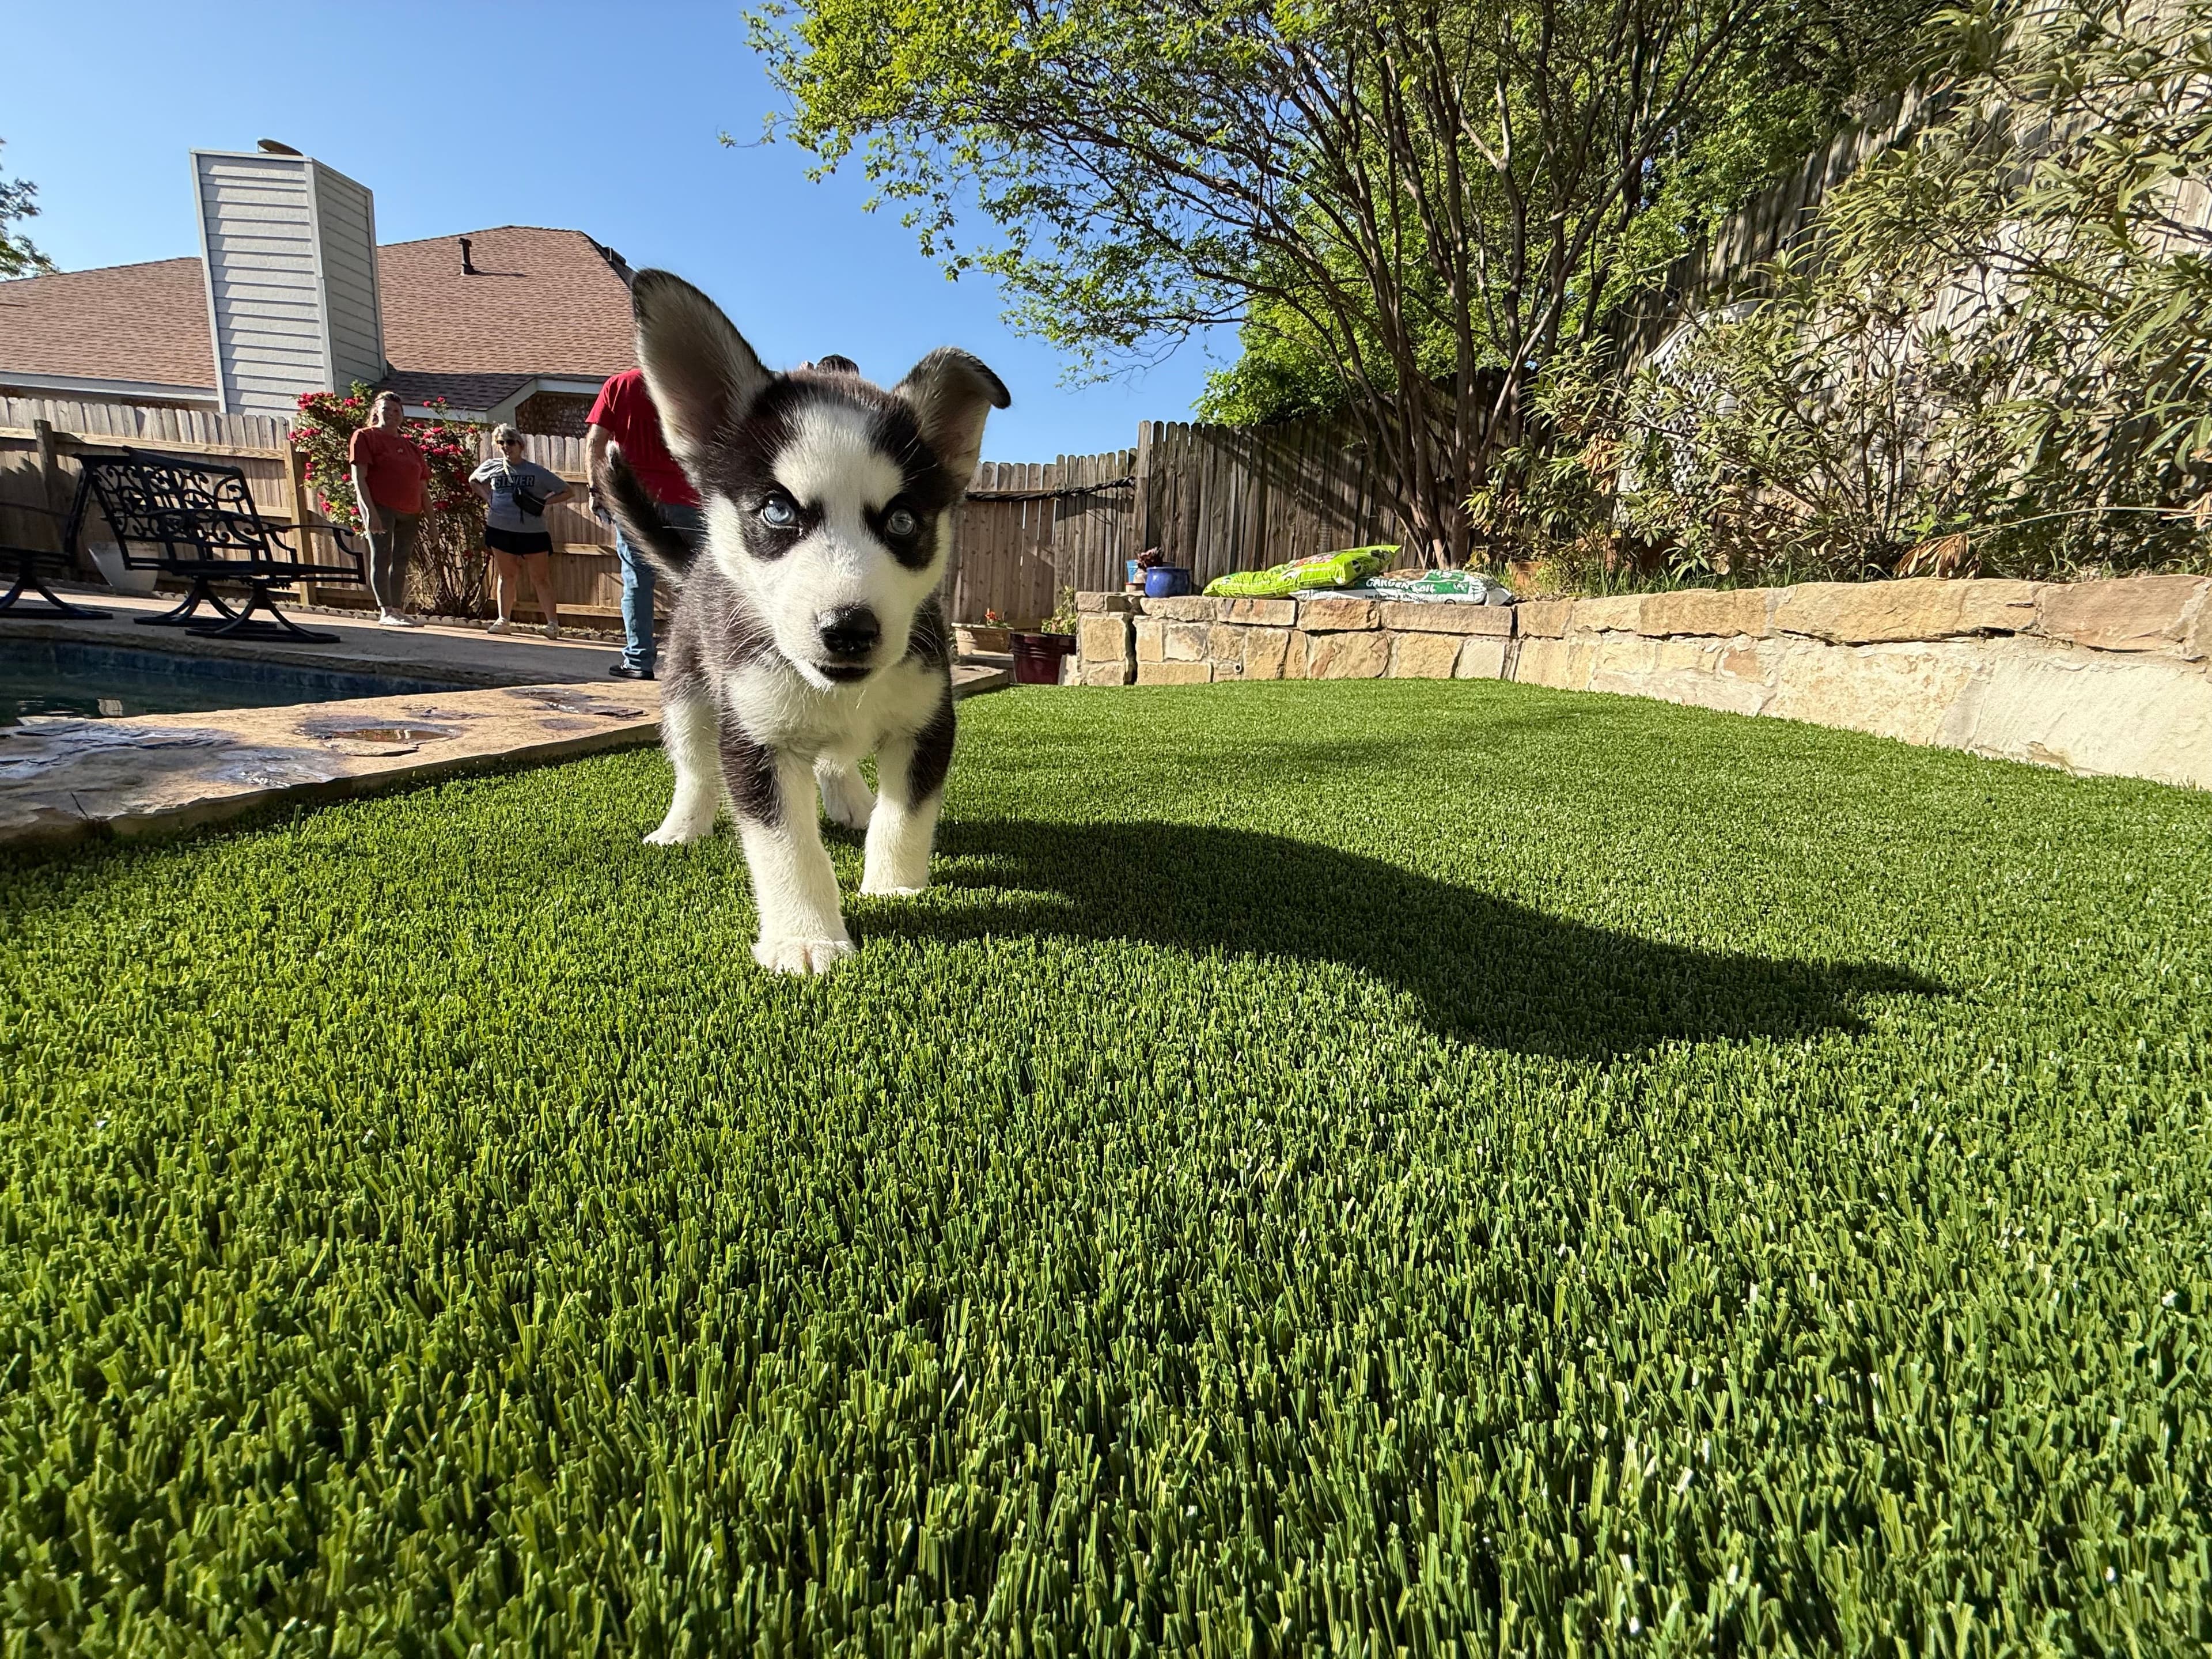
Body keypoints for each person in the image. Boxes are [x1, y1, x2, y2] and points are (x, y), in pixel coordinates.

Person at [585, 369, 702, 680]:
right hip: (689, 500)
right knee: (699, 585)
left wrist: (597, 490)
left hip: (636, 501)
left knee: (638, 583)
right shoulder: (687, 382)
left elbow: (596, 442)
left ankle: (638, 661)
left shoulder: (619, 385)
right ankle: (701, 665)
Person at [468, 425, 572, 638]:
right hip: (500, 528)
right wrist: (488, 498)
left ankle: (552, 625)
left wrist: (543, 502)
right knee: (507, 575)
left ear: (520, 445)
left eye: (510, 442)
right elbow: (474, 480)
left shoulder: (536, 472)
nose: (506, 447)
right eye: (501, 443)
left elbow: (567, 491)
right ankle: (503, 620)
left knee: (540, 578)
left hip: (532, 532)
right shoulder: (492, 466)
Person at [349, 391, 430, 627]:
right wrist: (370, 513)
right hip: (382, 508)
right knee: (382, 557)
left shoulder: (412, 448)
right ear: (376, 412)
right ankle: (385, 610)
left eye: (397, 411)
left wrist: (432, 524)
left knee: (402, 560)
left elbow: (423, 488)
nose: (392, 415)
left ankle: (397, 609)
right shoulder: (365, 437)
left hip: (410, 512)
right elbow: (359, 478)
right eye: (386, 410)